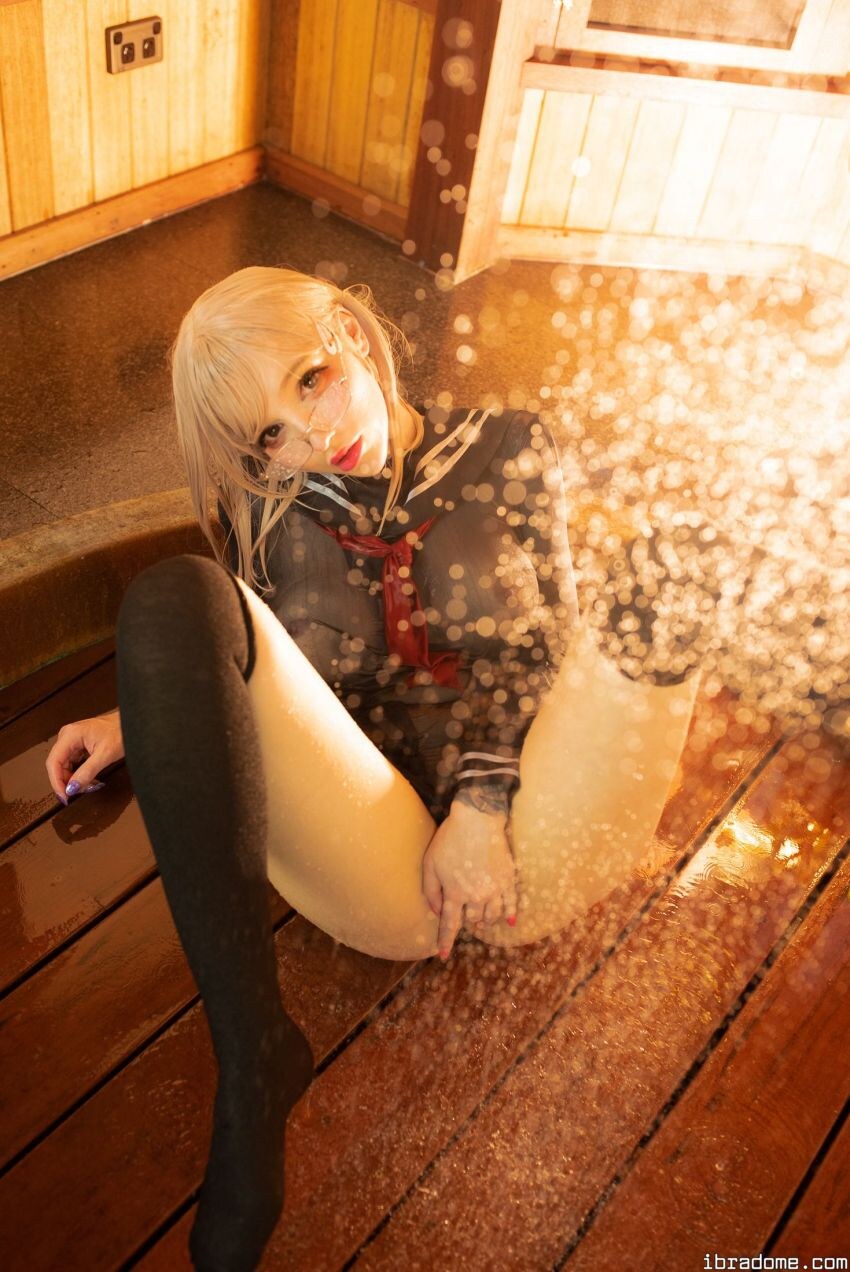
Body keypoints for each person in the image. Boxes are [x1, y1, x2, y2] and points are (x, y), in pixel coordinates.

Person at [44, 266, 703, 1271]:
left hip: (537, 833)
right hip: (385, 875)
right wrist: (151, 705)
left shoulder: (512, 445)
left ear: (349, 332)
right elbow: (280, 675)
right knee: (176, 596)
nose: (309, 437)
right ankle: (254, 1060)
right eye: (268, 435)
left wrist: (481, 804)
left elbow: (539, 650)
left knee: (673, 555)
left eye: (310, 379)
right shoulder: (269, 507)